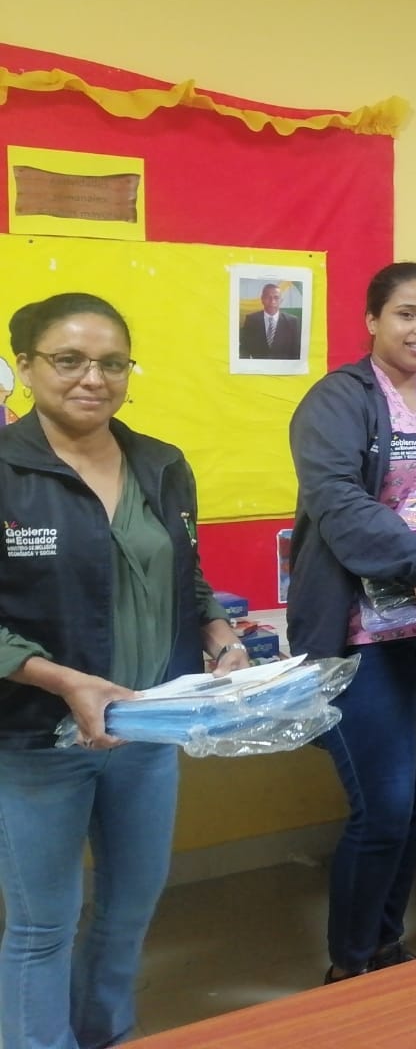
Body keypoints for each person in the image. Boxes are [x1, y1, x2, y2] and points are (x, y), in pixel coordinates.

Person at [0, 293, 249, 1049]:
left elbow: (186, 574)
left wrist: (219, 632)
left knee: (129, 911)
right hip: (37, 740)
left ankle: (105, 1034)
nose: (93, 378)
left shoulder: (161, 464)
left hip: (147, 731)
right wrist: (65, 682)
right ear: (24, 367)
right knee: (42, 926)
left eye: (112, 363)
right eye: (68, 360)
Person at [287, 262, 416, 982]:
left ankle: (385, 947)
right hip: (361, 635)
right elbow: (337, 500)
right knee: (381, 806)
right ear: (372, 319)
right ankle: (348, 968)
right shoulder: (337, 400)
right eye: (407, 313)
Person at [238, 282, 302, 360]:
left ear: (281, 300)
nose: (272, 301)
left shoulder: (292, 322)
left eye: (276, 297)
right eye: (268, 297)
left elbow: (296, 351)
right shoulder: (251, 320)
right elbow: (244, 348)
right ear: (262, 299)